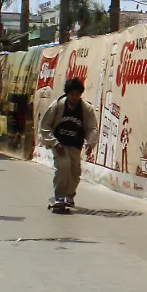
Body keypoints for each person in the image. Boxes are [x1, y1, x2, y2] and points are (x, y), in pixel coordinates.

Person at [38, 78, 98, 209]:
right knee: (63, 166)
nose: (74, 98)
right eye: (72, 94)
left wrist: (90, 143)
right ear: (67, 93)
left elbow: (92, 127)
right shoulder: (58, 105)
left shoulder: (86, 109)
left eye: (77, 95)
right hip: (60, 143)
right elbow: (45, 125)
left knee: (75, 172)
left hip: (75, 144)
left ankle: (69, 196)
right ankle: (59, 196)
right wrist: (54, 143)